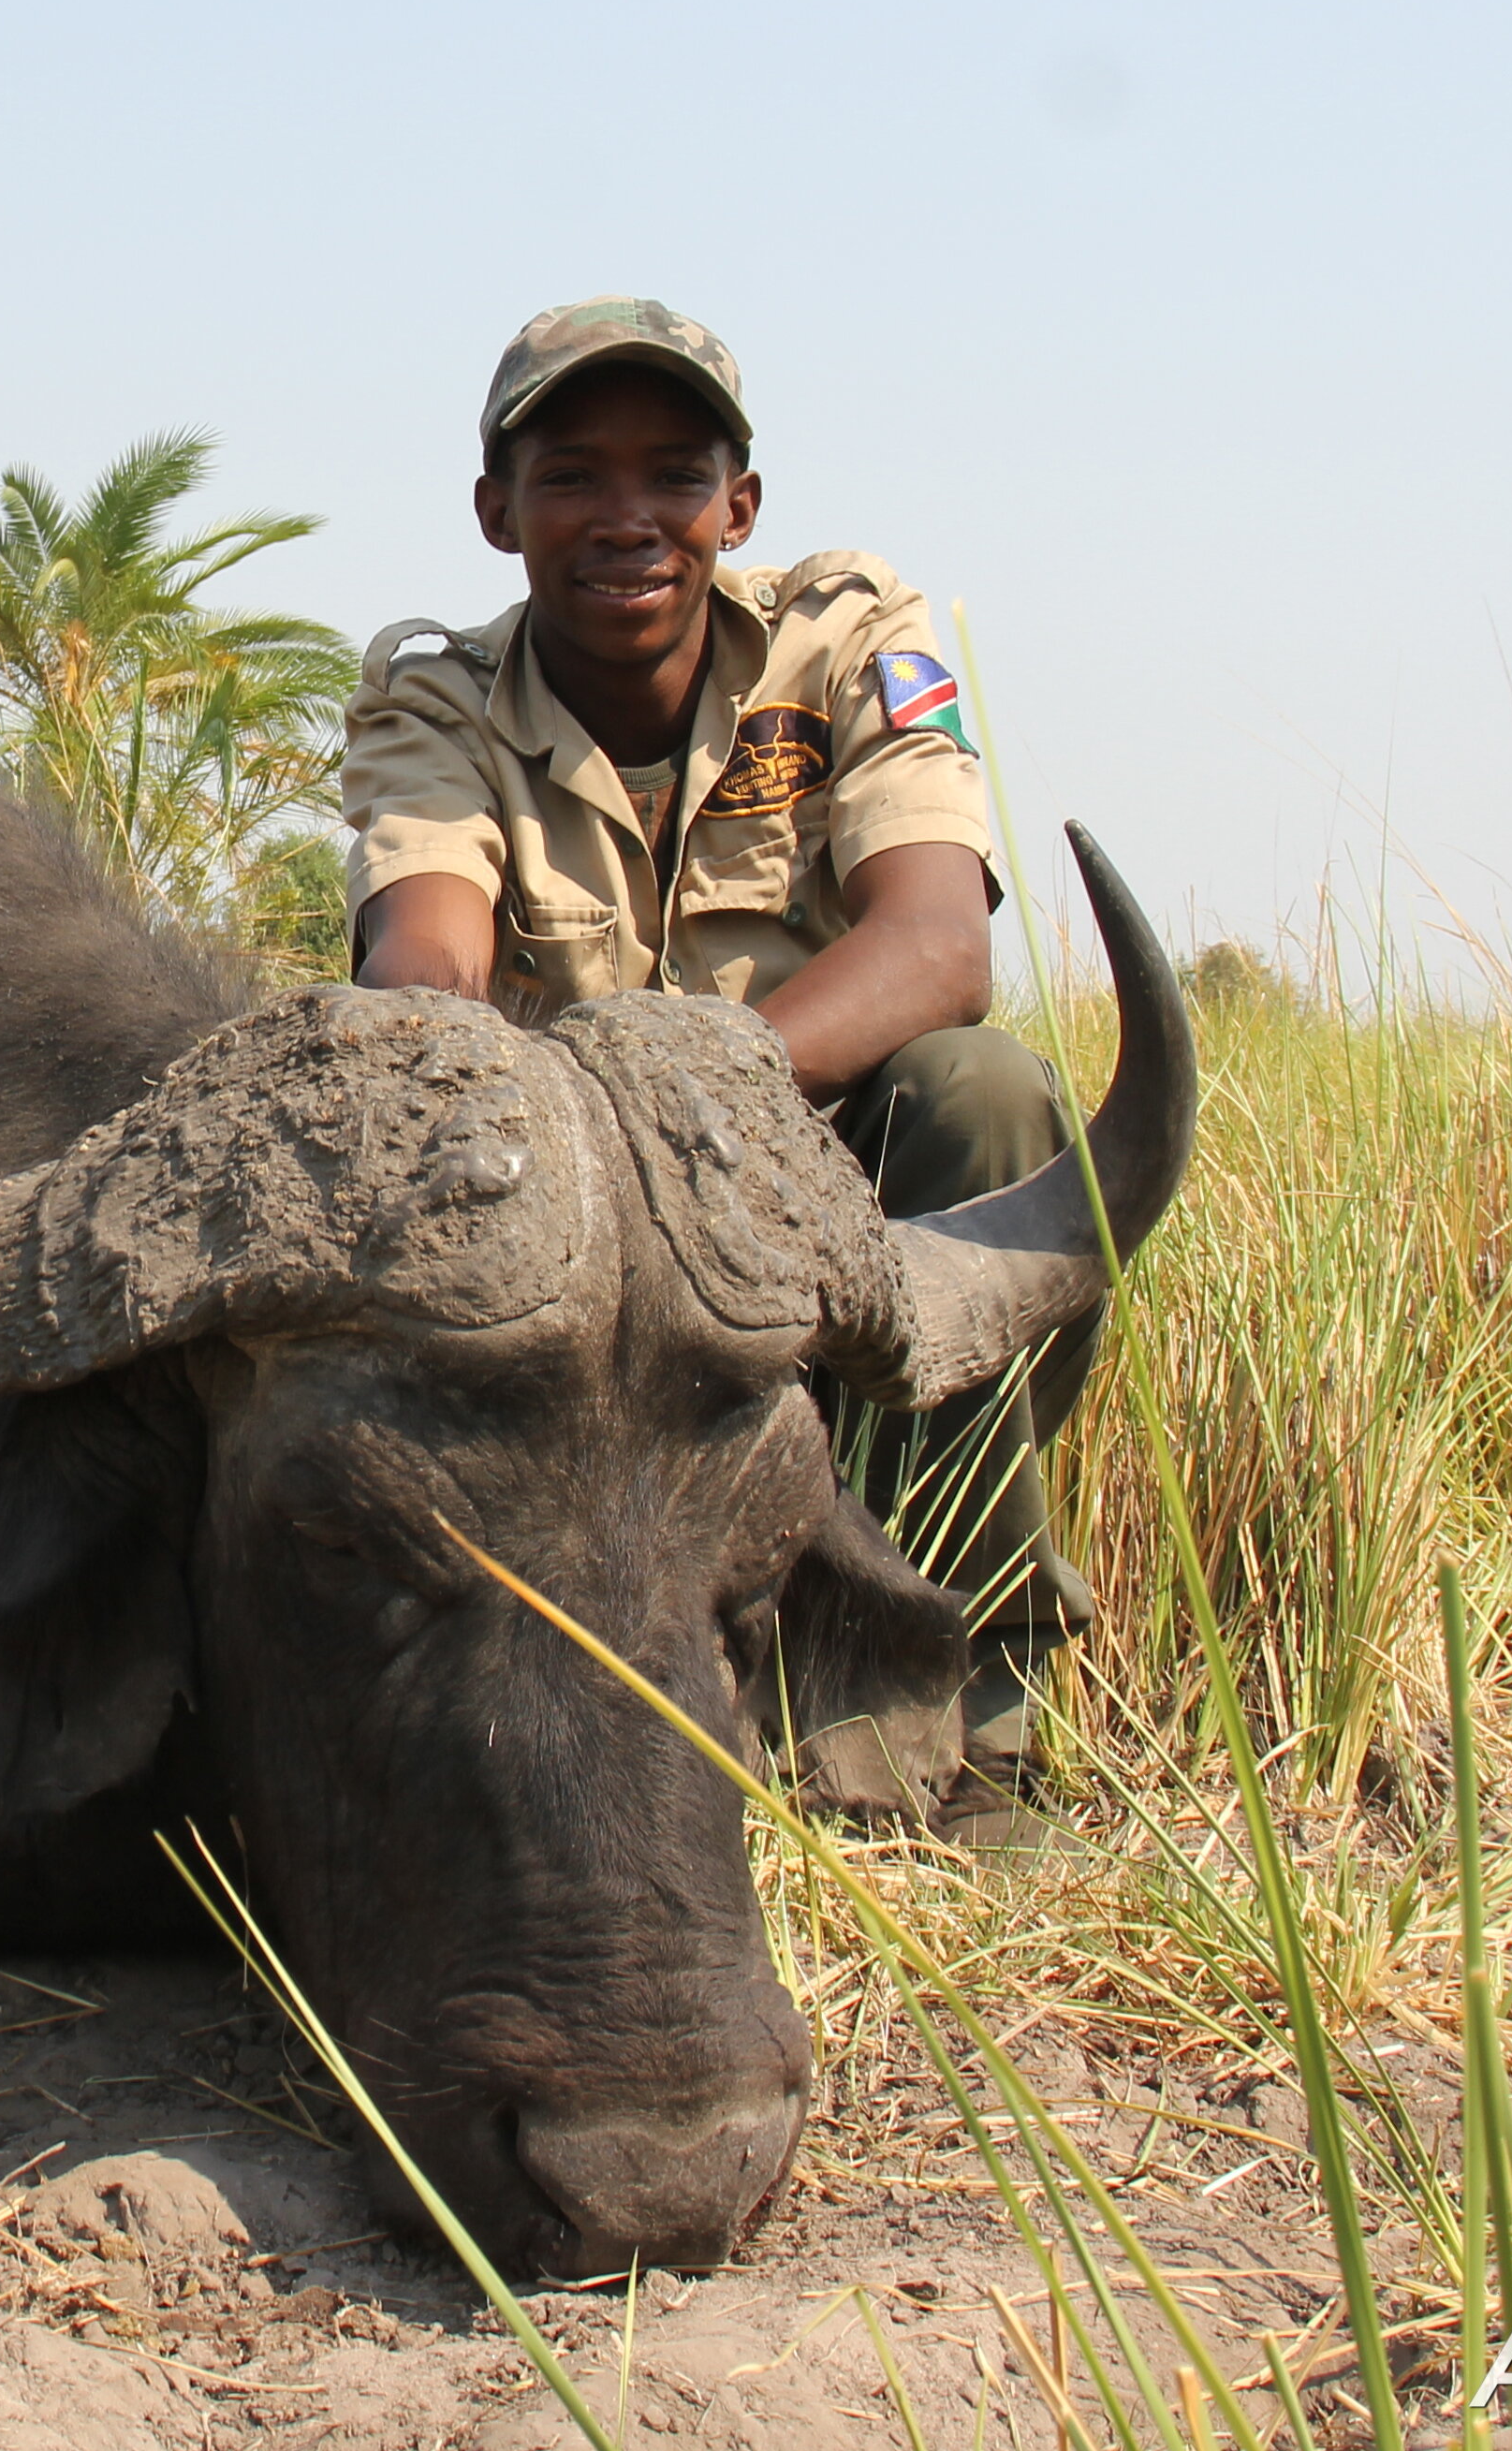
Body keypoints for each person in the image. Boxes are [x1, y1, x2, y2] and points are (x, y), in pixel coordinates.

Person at [336, 294, 1090, 1833]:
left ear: (739, 505)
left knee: (988, 1100)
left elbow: (943, 949)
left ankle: (978, 1704)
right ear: (497, 512)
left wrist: (691, 1096)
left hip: (826, 1203)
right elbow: (426, 965)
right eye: (571, 478)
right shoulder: (432, 698)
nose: (630, 519)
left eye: (676, 476)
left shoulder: (854, 633)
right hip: (579, 1250)